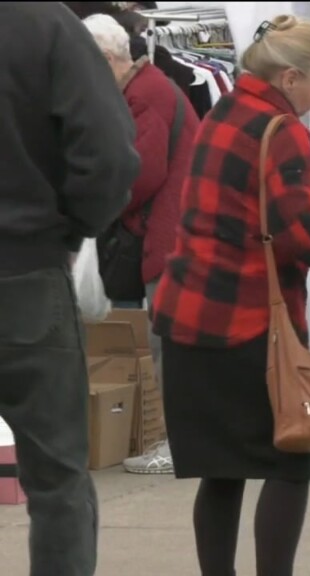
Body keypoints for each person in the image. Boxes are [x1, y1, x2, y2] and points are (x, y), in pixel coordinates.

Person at [149, 15, 310, 576]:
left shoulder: (222, 111)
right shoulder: (279, 127)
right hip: (246, 322)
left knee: (222, 471)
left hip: (188, 314)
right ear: (290, 78)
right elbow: (298, 227)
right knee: (290, 463)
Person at [0, 3, 141, 575]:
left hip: (28, 257)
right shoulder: (43, 23)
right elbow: (107, 154)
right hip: (25, 266)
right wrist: (75, 228)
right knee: (57, 477)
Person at [82, 13, 200, 475]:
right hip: (171, 233)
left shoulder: (145, 94)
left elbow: (142, 172)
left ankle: (177, 445)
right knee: (167, 340)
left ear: (108, 60)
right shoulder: (150, 88)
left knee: (165, 341)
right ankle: (179, 441)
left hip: (169, 237)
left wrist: (101, 206)